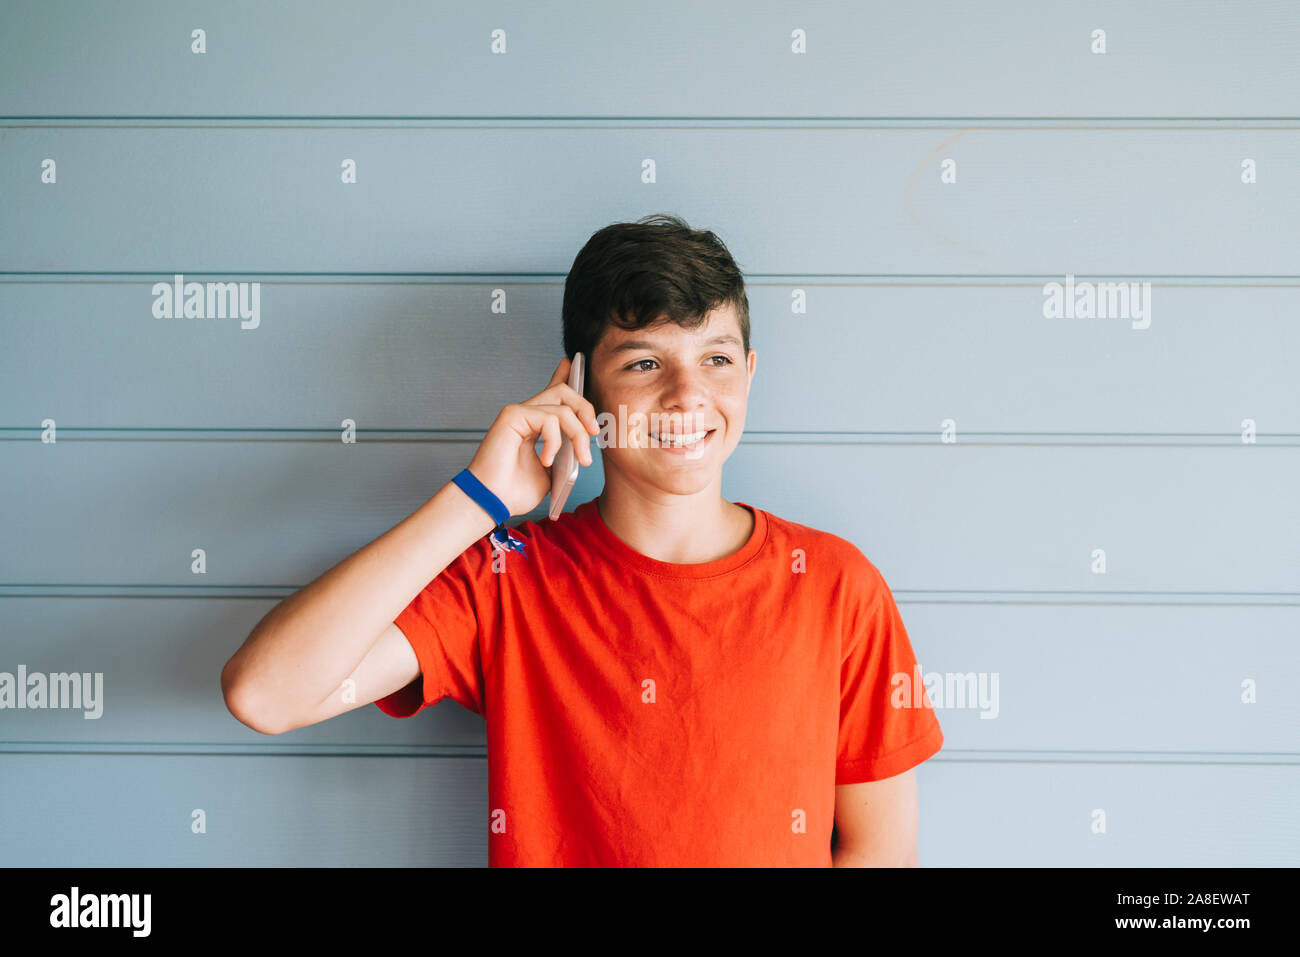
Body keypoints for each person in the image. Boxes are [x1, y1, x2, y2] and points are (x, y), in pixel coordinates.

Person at [220, 213, 943, 866]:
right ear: (579, 390)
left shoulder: (836, 584)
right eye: (644, 363)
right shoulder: (506, 579)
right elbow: (265, 693)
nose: (688, 396)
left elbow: (881, 850)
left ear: (749, 374)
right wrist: (481, 500)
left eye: (716, 358)